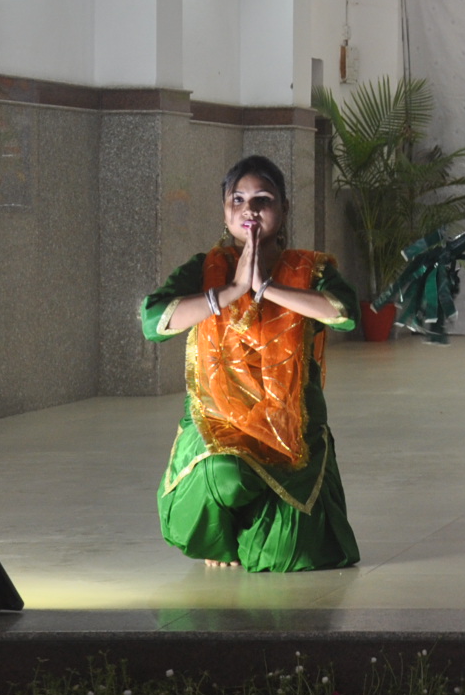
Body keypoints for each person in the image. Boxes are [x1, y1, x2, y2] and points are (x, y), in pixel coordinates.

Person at [142, 155, 362, 572]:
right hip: (217, 418)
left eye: (263, 199)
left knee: (290, 555)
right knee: (225, 474)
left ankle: (256, 527)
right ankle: (220, 529)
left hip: (292, 426)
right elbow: (154, 322)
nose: (250, 210)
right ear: (225, 211)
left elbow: (344, 312)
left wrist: (266, 287)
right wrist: (233, 290)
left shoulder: (309, 270)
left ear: (284, 209)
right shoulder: (205, 269)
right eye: (238, 200)